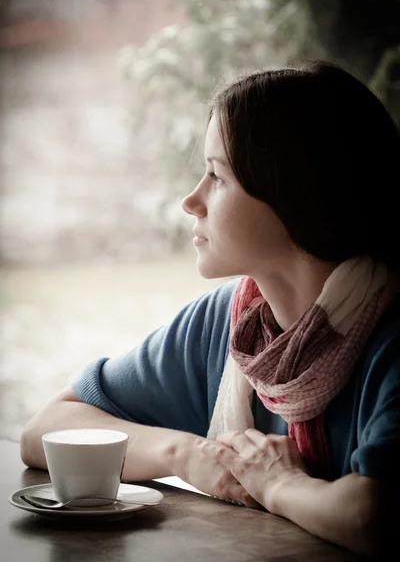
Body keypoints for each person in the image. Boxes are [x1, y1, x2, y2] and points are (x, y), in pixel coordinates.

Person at [21, 60, 400, 557]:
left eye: (216, 176)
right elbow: (46, 430)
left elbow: (374, 517)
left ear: (294, 191)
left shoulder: (390, 335)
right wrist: (189, 455)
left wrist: (276, 484)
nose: (191, 200)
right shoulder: (231, 324)